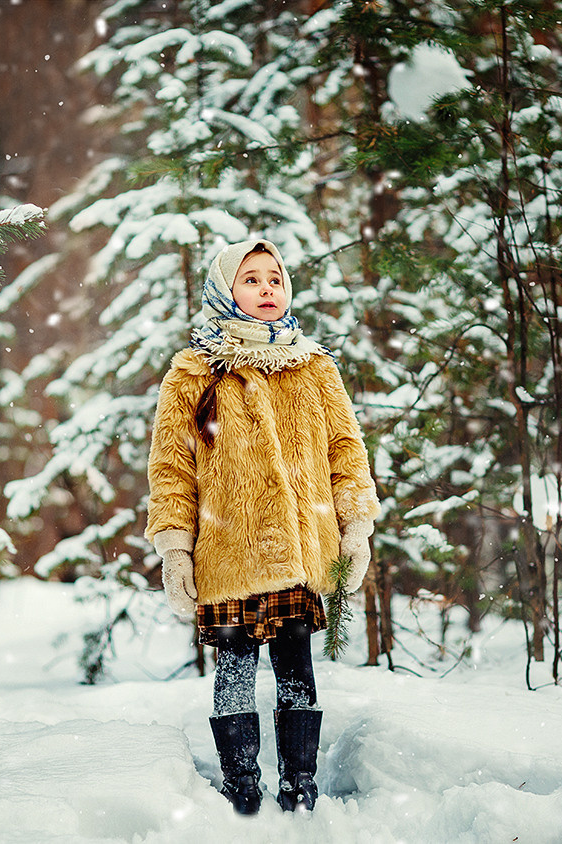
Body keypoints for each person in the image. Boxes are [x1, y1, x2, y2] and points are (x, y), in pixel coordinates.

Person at [145, 238, 379, 815]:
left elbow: (346, 450)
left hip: (301, 549)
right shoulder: (194, 372)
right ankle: (241, 783)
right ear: (225, 290)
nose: (266, 289)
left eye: (274, 278)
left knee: (296, 667)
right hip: (227, 552)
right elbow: (171, 467)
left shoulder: (313, 365)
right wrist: (175, 549)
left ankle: (300, 783)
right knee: (234, 669)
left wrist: (355, 524)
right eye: (250, 280)